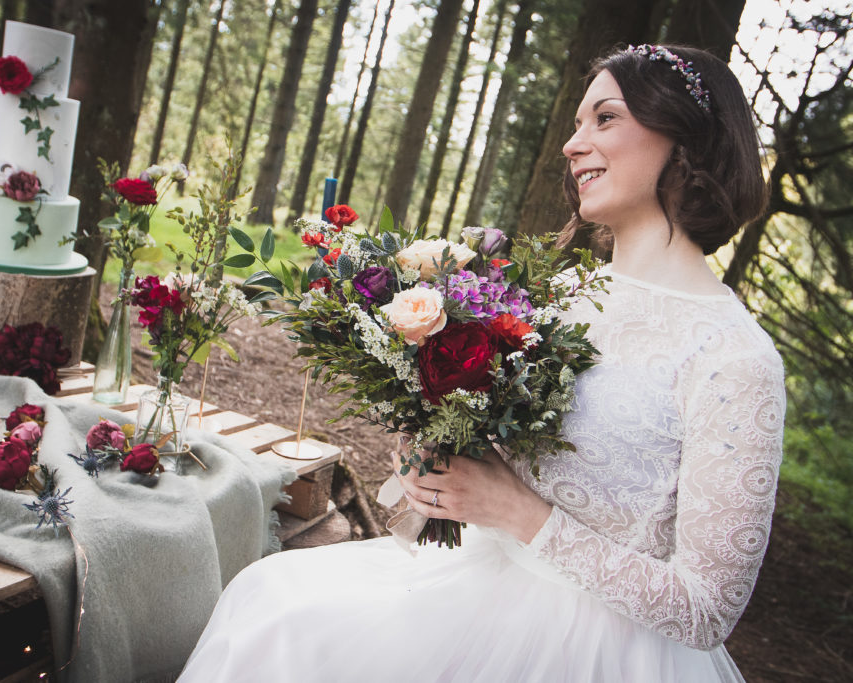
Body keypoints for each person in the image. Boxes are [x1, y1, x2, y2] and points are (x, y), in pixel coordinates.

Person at [177, 44, 785, 682]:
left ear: (684, 139)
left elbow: (707, 609)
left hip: (594, 650)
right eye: (577, 123)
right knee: (274, 607)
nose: (572, 144)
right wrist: (441, 465)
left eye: (604, 118)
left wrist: (514, 510)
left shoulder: (733, 357)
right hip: (473, 581)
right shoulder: (565, 298)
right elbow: (508, 459)